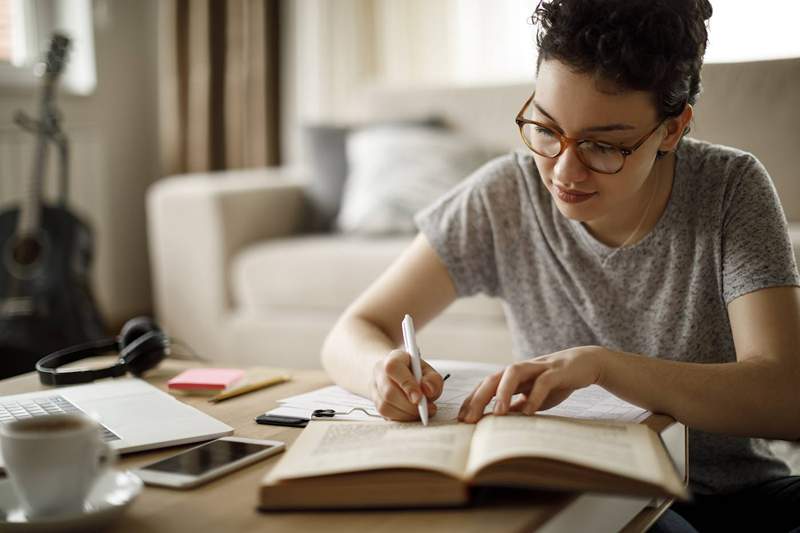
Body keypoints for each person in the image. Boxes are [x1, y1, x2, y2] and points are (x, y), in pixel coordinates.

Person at [320, 0, 800, 530]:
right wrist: (378, 372)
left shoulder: (731, 189)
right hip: (598, 492)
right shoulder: (505, 195)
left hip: (742, 494)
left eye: (603, 146)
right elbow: (354, 330)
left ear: (672, 129)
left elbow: (784, 395)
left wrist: (604, 366)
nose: (564, 171)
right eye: (546, 130)